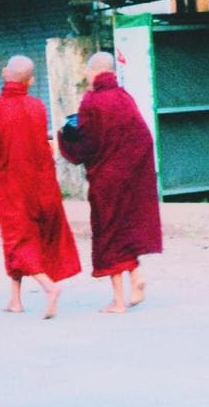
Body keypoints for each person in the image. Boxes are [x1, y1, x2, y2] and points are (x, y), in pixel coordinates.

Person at [0, 55, 81, 318]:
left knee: (17, 240)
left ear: (4, 73)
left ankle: (49, 287)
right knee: (22, 238)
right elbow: (42, 147)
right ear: (30, 81)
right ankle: (15, 300)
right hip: (40, 184)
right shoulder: (37, 107)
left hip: (10, 186)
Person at [58, 51, 162, 313]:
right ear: (112, 73)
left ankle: (118, 301)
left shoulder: (91, 101)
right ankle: (136, 274)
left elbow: (86, 145)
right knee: (123, 228)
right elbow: (144, 138)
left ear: (93, 72)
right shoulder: (125, 98)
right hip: (130, 177)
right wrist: (133, 170)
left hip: (106, 179)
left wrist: (64, 139)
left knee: (108, 234)